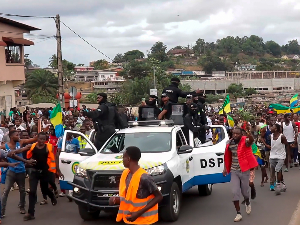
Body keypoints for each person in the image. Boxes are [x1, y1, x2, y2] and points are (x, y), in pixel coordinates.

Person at [109, 146, 162, 224]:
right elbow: (129, 198)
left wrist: (138, 213)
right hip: (130, 220)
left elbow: (159, 196)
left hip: (144, 222)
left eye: (123, 157)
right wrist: (116, 200)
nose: (122, 160)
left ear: (128, 159)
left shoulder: (145, 177)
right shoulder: (126, 174)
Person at [223, 127, 258, 222]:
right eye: (234, 133)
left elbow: (251, 140)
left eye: (237, 133)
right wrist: (225, 168)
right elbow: (226, 155)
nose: (235, 135)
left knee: (245, 192)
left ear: (241, 134)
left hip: (244, 170)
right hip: (234, 171)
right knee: (234, 193)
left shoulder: (245, 141)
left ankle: (247, 201)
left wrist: (248, 133)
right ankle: (238, 213)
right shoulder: (229, 143)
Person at [1, 130, 37, 217]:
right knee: (6, 191)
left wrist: (39, 136)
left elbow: (32, 140)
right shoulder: (5, 146)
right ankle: (2, 211)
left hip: (21, 170)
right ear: (12, 137)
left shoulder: (20, 142)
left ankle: (22, 207)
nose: (19, 136)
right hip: (11, 171)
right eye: (17, 135)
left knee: (22, 190)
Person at [24, 132, 57, 221]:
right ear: (37, 138)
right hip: (34, 172)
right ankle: (30, 213)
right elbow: (23, 149)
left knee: (45, 189)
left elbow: (54, 157)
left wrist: (56, 170)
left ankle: (52, 196)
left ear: (45, 140)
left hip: (44, 172)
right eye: (40, 139)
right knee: (32, 191)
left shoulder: (48, 147)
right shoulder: (33, 146)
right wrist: (14, 152)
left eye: (43, 139)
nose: (42, 141)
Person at [270, 123, 289, 194]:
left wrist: (287, 156)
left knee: (277, 169)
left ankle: (278, 185)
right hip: (272, 156)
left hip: (281, 156)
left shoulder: (282, 137)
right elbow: (262, 138)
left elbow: (287, 146)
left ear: (276, 129)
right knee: (276, 170)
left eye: (272, 127)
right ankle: (282, 183)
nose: (271, 128)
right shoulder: (271, 136)